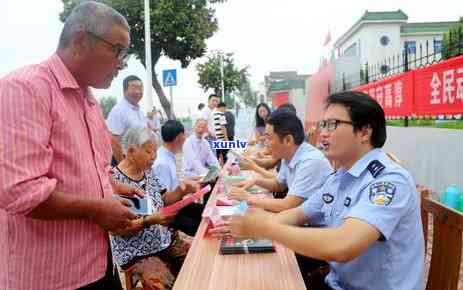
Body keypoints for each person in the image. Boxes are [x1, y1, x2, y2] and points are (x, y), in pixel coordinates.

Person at [0, 2, 142, 289]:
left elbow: (82, 170)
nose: (122, 63)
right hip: (53, 278)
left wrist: (110, 189)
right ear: (80, 39)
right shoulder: (25, 88)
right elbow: (21, 190)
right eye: (117, 50)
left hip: (99, 263)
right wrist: (97, 209)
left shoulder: (88, 100)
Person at [229, 91, 425, 290]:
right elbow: (298, 213)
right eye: (323, 124)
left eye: (333, 124)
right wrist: (247, 227)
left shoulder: (389, 181)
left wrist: (265, 228)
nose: (322, 133)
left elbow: (343, 245)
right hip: (335, 282)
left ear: (365, 132)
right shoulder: (340, 176)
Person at [110, 127, 194, 290]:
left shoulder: (148, 173)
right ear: (132, 151)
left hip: (164, 241)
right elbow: (117, 228)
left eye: (155, 151)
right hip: (138, 253)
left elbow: (165, 199)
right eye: (149, 152)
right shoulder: (114, 181)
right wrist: (149, 221)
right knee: (164, 284)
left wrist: (183, 191)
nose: (154, 157)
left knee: (196, 262)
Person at [229, 112, 333, 213]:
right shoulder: (288, 154)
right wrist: (255, 181)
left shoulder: (311, 162)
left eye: (269, 138)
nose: (266, 143)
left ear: (287, 140)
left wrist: (248, 198)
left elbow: (288, 205)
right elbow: (279, 184)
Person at [153, 120, 201, 235]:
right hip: (168, 212)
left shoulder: (167, 155)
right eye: (184, 136)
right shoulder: (162, 163)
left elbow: (173, 183)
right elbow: (164, 200)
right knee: (199, 226)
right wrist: (184, 190)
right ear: (179, 137)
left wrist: (188, 182)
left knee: (204, 211)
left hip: (177, 203)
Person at [107, 75, 147, 165]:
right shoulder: (119, 110)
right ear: (124, 91)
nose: (138, 91)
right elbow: (113, 141)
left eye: (140, 88)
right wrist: (123, 167)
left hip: (138, 161)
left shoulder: (139, 111)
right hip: (125, 161)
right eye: (134, 88)